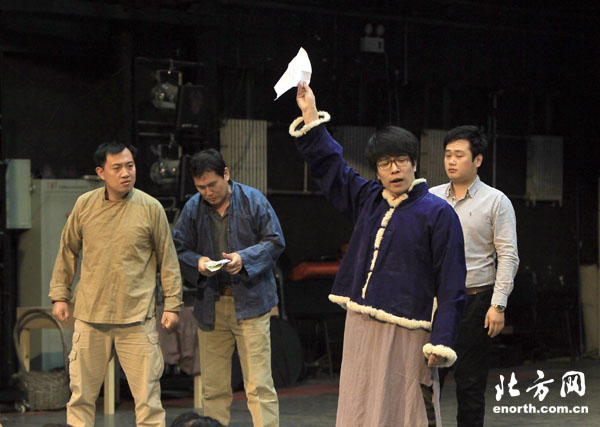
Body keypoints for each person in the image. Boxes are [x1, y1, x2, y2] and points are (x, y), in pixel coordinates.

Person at [290, 82, 466, 426]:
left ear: (414, 163)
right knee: (360, 399)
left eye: (401, 160)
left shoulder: (438, 213)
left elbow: (451, 283)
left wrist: (442, 340)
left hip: (409, 329)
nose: (394, 169)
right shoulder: (369, 199)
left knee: (406, 405)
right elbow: (332, 168)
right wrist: (310, 113)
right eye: (385, 163)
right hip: (362, 324)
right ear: (377, 170)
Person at [49, 141, 183, 427]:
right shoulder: (85, 205)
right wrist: (60, 294)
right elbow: (68, 250)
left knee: (148, 400)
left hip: (136, 317)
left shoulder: (150, 207)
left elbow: (168, 260)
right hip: (90, 315)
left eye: (130, 166)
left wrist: (173, 304)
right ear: (101, 172)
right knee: (81, 398)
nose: (126, 173)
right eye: (117, 168)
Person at [172, 149, 285, 427]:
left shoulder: (253, 200)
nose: (208, 192)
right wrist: (198, 262)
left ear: (226, 174)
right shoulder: (193, 207)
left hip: (251, 304)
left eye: (212, 185)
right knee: (213, 388)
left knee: (259, 385)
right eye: (201, 187)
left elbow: (275, 241)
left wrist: (243, 259)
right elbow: (178, 248)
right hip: (211, 306)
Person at [430, 126, 519, 427]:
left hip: (476, 302)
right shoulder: (431, 198)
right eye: (447, 155)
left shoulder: (496, 201)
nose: (451, 161)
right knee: (426, 382)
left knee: (470, 385)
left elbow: (508, 256)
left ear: (477, 160)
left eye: (459, 155)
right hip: (435, 303)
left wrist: (498, 305)